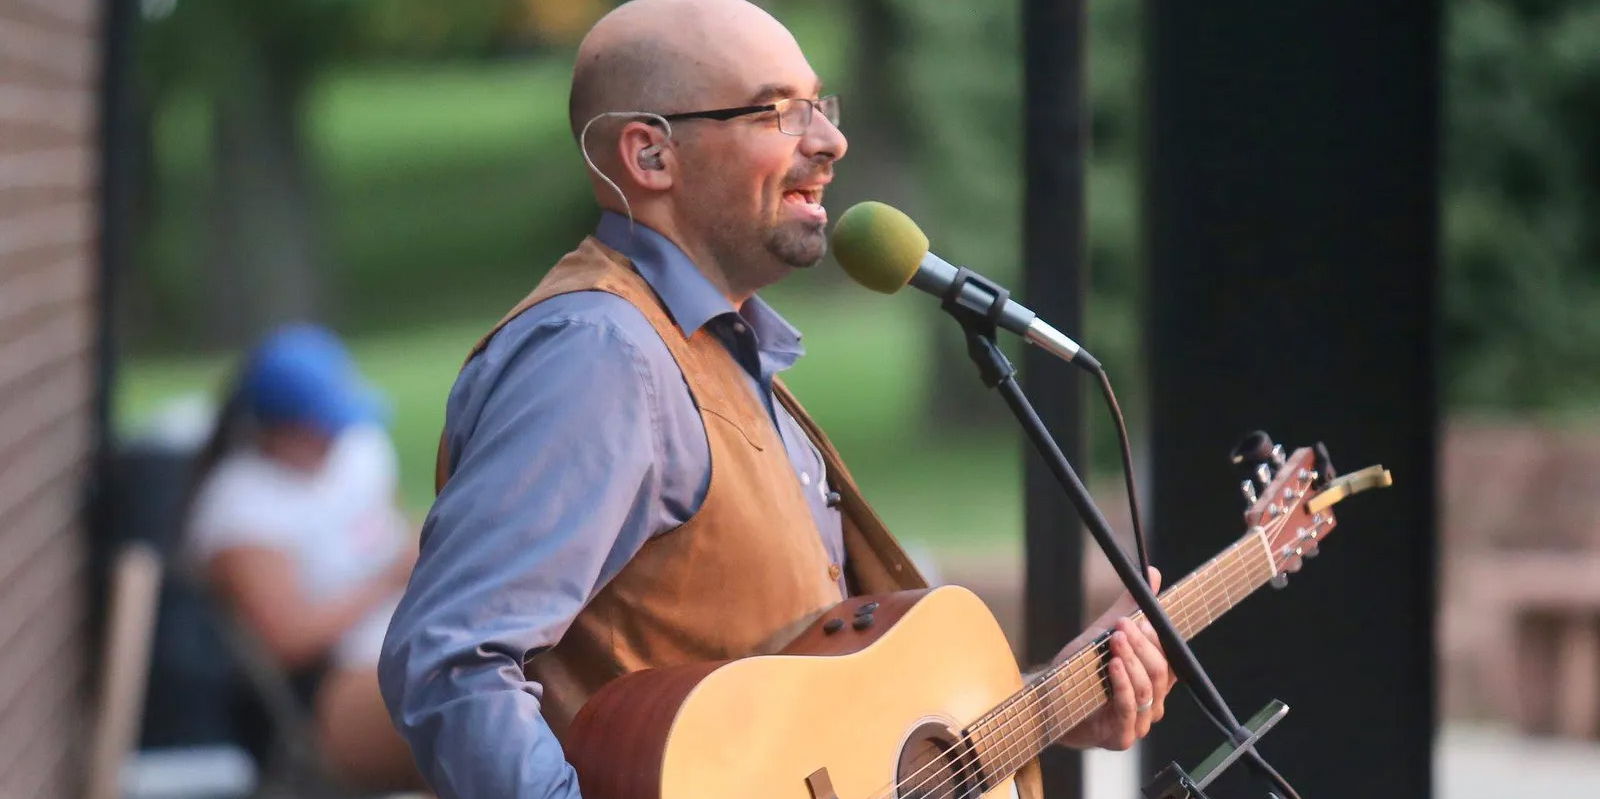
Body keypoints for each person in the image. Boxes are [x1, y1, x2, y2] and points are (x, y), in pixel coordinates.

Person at [378, 1, 1176, 797]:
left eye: (818, 106)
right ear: (650, 154)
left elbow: (825, 740)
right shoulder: (604, 355)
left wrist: (1045, 702)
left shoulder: (716, 352)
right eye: (777, 113)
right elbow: (455, 657)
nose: (830, 142)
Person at [185, 323, 423, 791]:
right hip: (329, 689)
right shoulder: (243, 506)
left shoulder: (359, 449)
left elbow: (391, 527)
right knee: (463, 712)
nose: (333, 439)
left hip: (404, 636)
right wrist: (391, 577)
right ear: (279, 430)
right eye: (320, 428)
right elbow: (286, 641)